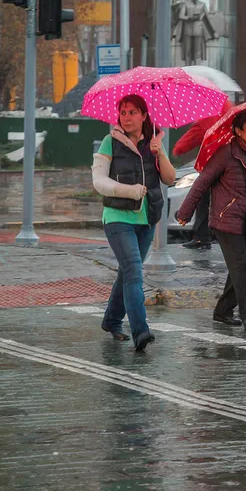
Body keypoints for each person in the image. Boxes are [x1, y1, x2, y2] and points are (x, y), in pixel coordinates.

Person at [176, 109, 246, 328]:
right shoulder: (226, 153)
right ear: (238, 131)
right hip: (226, 219)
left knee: (240, 267)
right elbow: (202, 182)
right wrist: (185, 212)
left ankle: (223, 311)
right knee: (242, 265)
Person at [91, 95, 176, 351]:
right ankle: (141, 331)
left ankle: (111, 320)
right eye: (123, 112)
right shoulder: (110, 142)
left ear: (144, 115)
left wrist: (159, 153)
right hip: (117, 217)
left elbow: (169, 179)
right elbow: (99, 181)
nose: (126, 117)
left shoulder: (153, 142)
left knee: (127, 272)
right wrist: (130, 191)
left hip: (147, 218)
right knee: (134, 271)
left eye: (132, 112)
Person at [172, 100, 235, 250]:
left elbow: (194, 135)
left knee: (202, 198)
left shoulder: (208, 117)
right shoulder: (231, 112)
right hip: (232, 164)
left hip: (213, 164)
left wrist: (177, 149)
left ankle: (202, 237)